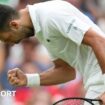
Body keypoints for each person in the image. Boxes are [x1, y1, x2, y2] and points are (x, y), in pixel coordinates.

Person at [0, 0, 105, 104]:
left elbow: (99, 40)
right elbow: (67, 72)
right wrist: (27, 79)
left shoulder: (50, 16)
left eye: (8, 38)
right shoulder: (40, 26)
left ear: (14, 25)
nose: (12, 44)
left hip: (100, 81)